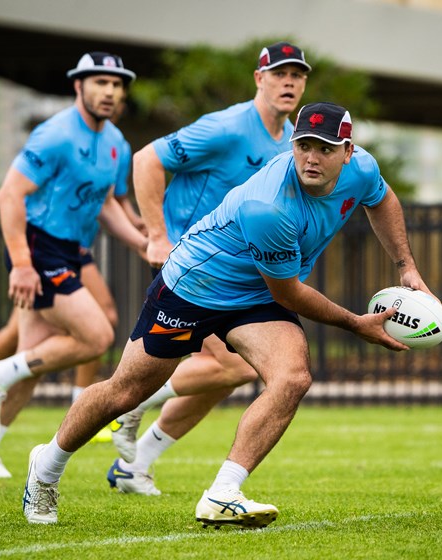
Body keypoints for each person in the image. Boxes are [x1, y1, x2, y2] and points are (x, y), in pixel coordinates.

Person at [21, 101, 433, 527]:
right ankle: (46, 466)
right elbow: (289, 293)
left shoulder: (362, 169)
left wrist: (406, 266)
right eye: (303, 145)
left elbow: (381, 200)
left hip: (256, 293)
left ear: (348, 152)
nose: (311, 158)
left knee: (292, 377)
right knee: (125, 393)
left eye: (325, 148)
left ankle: (223, 493)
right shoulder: (269, 206)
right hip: (194, 286)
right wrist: (354, 323)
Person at [107, 41, 310, 496]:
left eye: (298, 75)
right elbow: (146, 160)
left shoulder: (291, 137)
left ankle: (135, 463)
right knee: (234, 371)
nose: (290, 82)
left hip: (233, 275)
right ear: (260, 79)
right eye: (280, 74)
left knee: (219, 382)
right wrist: (158, 235)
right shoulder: (229, 127)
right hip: (191, 266)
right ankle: (130, 406)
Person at [0, 52, 147, 478]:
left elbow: (109, 205)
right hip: (38, 247)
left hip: (70, 251)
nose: (110, 92)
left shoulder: (116, 142)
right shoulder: (56, 134)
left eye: (117, 85)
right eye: (100, 82)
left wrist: (142, 240)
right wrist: (22, 264)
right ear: (78, 86)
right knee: (97, 335)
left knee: (35, 357)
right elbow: (9, 194)